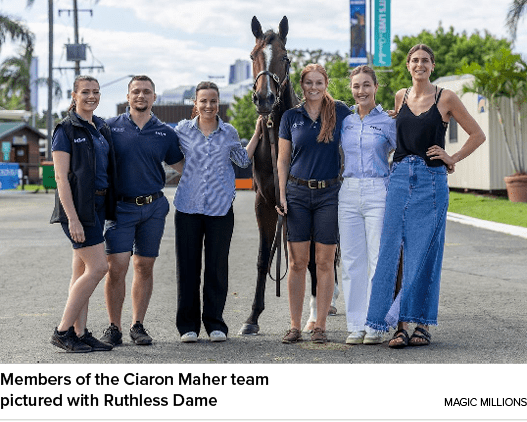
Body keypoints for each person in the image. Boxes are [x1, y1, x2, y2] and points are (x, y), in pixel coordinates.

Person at [365, 44, 485, 348]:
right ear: (408, 66)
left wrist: (452, 157)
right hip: (400, 177)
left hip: (431, 182)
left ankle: (420, 325)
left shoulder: (446, 97)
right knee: (392, 250)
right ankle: (398, 324)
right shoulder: (400, 96)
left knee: (426, 252)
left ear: (432, 66)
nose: (420, 64)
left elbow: (477, 134)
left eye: (425, 61)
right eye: (414, 60)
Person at [173, 81, 261, 343]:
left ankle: (215, 324)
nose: (208, 106)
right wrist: (189, 173)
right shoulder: (182, 131)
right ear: (195, 103)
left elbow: (243, 161)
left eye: (213, 101)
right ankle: (187, 326)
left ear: (218, 103)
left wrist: (256, 133)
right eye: (203, 101)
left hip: (220, 209)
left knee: (216, 268)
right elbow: (171, 156)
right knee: (187, 268)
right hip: (188, 206)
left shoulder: (229, 132)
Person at [100, 75, 184, 346]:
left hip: (153, 208)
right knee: (117, 268)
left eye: (146, 92)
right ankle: (114, 327)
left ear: (154, 97)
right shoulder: (110, 128)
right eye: (136, 91)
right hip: (121, 208)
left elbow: (185, 168)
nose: (141, 96)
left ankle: (138, 325)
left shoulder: (165, 133)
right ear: (127, 96)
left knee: (144, 266)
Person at [277, 63, 351, 344]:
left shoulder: (340, 111)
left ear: (326, 84)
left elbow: (365, 125)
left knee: (324, 261)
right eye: (309, 83)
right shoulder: (290, 117)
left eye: (319, 82)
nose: (314, 87)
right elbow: (283, 159)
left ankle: (319, 325)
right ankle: (295, 325)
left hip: (329, 195)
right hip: (296, 193)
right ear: (302, 85)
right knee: (297, 262)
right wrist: (281, 195)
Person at [50, 75, 117, 352]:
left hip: (98, 206)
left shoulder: (100, 127)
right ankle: (63, 331)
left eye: (96, 92)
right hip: (79, 210)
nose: (91, 96)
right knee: (99, 267)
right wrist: (73, 218)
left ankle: (80, 332)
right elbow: (61, 178)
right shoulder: (65, 130)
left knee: (82, 270)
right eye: (86, 92)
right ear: (74, 95)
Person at [339, 65, 396, 345]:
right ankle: (356, 325)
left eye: (366, 85)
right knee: (351, 262)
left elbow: (404, 152)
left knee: (377, 260)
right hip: (347, 192)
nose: (361, 91)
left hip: (378, 191)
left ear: (375, 87)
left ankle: (375, 324)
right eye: (356, 86)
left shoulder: (388, 121)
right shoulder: (345, 122)